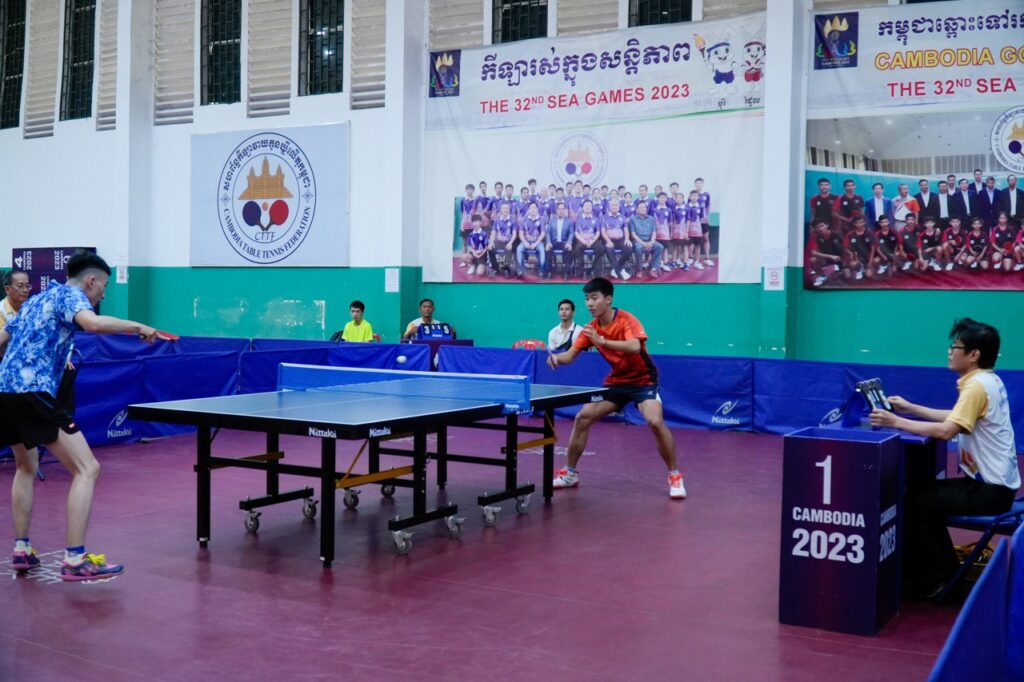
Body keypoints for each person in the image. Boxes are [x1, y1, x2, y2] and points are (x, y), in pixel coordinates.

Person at [0, 252, 159, 581]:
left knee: (26, 466)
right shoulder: (70, 295)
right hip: (33, 391)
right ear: (91, 281)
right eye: (104, 286)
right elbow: (93, 324)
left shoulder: (35, 301)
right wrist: (137, 326)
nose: (104, 294)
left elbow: (2, 337)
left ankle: (22, 549)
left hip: (5, 390)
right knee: (87, 468)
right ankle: (74, 559)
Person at [869, 318, 1019, 599]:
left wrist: (895, 421)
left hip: (990, 492)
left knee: (914, 503)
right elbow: (956, 417)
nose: (950, 352)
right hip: (995, 487)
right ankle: (943, 575)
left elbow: (947, 430)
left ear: (973, 355)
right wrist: (911, 408)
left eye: (955, 347)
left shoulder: (976, 386)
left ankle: (944, 582)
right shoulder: (987, 380)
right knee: (920, 497)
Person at [546, 278, 686, 499]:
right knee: (583, 417)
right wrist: (557, 358)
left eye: (594, 298)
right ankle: (570, 474)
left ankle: (675, 476)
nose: (589, 303)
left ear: (608, 299)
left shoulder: (626, 320)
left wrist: (602, 342)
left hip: (643, 381)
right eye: (587, 299)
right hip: (617, 382)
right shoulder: (590, 329)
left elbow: (635, 346)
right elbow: (570, 356)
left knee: (655, 422)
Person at [629, 199, 664, 279]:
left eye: (644, 207)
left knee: (660, 247)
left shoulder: (651, 218)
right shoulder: (633, 219)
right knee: (638, 248)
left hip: (650, 240)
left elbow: (654, 232)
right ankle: (639, 269)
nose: (643, 209)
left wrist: (652, 242)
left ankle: (653, 268)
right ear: (637, 209)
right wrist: (643, 243)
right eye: (640, 207)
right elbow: (633, 234)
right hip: (638, 241)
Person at [601, 198, 632, 280]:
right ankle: (620, 271)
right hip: (609, 239)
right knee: (608, 249)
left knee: (629, 248)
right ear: (609, 207)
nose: (614, 207)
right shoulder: (604, 217)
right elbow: (603, 232)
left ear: (619, 207)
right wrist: (608, 241)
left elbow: (626, 229)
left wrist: (627, 239)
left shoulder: (623, 217)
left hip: (621, 240)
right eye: (613, 205)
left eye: (616, 205)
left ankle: (616, 269)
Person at [516, 202, 547, 277]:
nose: (533, 210)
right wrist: (525, 243)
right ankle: (521, 271)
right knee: (519, 249)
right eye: (531, 208)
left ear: (537, 209)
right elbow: (520, 233)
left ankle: (541, 271)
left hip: (537, 242)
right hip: (525, 242)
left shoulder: (541, 219)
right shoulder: (524, 219)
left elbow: (543, 233)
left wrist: (535, 244)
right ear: (528, 210)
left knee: (541, 249)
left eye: (534, 208)